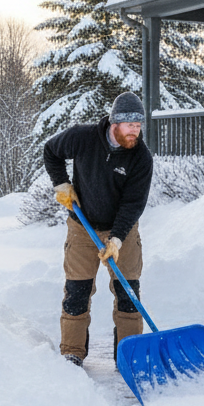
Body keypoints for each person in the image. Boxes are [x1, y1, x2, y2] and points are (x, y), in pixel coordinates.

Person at [43, 92, 154, 367]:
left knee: (128, 292)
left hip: (122, 230)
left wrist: (116, 239)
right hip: (83, 227)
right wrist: (61, 184)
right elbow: (51, 151)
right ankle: (72, 353)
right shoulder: (83, 137)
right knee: (77, 291)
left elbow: (133, 204)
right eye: (130, 125)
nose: (135, 131)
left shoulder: (141, 157)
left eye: (139, 125)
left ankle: (129, 356)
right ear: (114, 123)